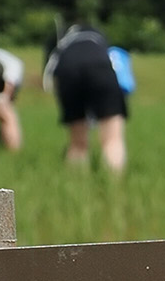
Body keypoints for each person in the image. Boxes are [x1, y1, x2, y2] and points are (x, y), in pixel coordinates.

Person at [43, 23, 127, 172]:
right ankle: (114, 185)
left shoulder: (59, 41)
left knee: (77, 143)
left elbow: (49, 75)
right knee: (112, 139)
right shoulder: (99, 36)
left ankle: (77, 188)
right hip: (100, 67)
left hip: (67, 70)